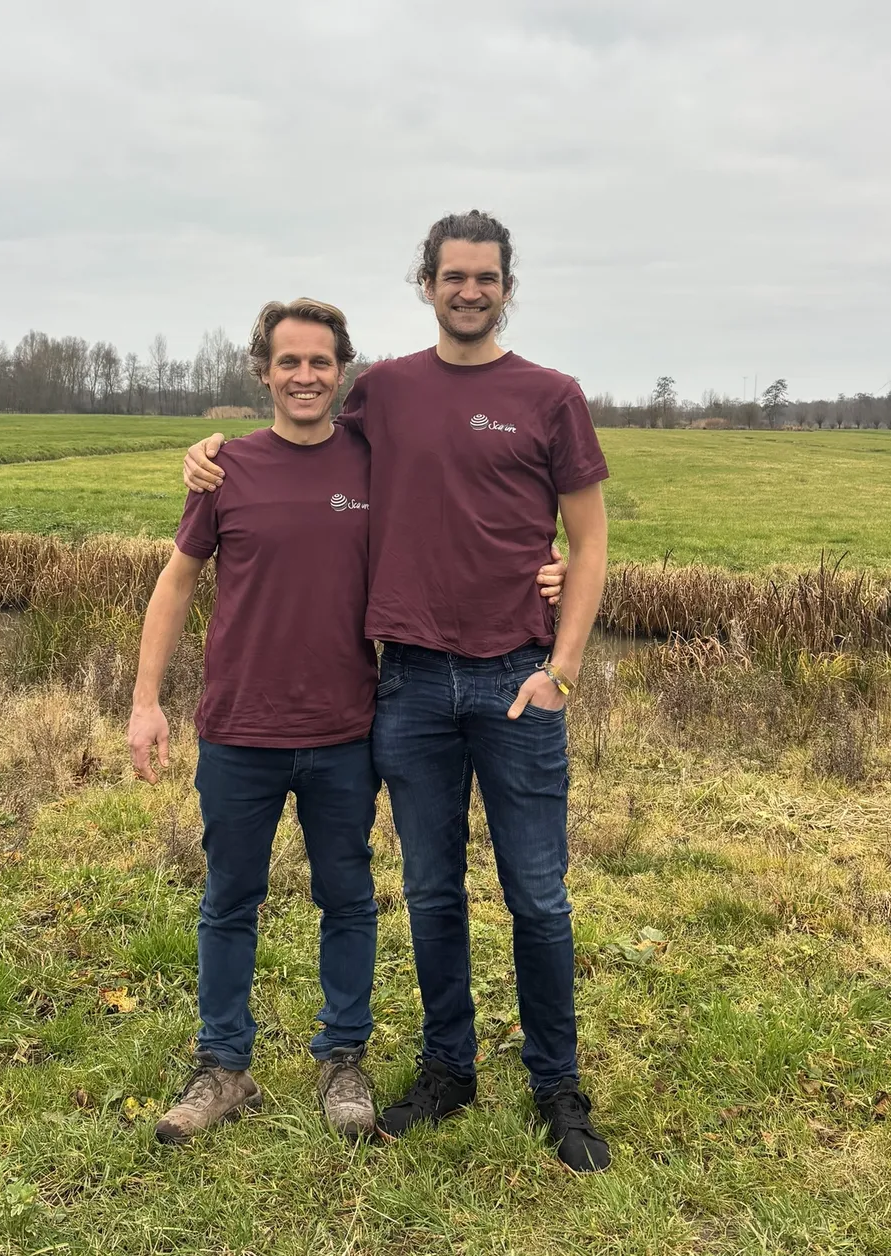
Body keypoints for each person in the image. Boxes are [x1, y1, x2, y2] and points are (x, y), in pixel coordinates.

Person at [183, 211, 612, 1171]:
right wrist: (209, 460)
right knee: (429, 890)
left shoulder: (552, 396)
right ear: (426, 283)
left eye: (486, 277)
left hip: (515, 681)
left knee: (537, 897)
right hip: (410, 682)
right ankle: (448, 1068)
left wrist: (564, 668)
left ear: (508, 286)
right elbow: (304, 440)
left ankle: (557, 1086)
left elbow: (589, 543)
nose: (470, 290)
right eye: (453, 275)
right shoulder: (384, 391)